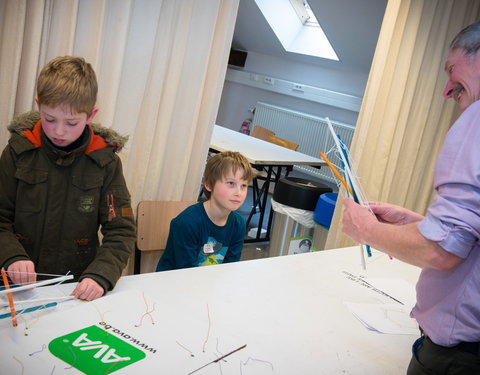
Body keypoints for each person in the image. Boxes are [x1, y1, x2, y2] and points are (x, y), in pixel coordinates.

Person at [341, 21, 480, 374]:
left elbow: (441, 250)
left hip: (460, 357)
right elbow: (464, 239)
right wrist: (419, 224)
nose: (447, 90)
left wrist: (366, 230)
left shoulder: (477, 121)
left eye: (452, 70)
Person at [0, 56, 136, 301]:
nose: (59, 131)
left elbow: (121, 230)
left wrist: (100, 275)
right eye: (49, 119)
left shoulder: (105, 162)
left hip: (74, 289)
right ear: (38, 105)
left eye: (72, 122)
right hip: (15, 288)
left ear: (91, 115)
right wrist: (12, 256)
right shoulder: (18, 152)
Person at [156, 151, 254, 271]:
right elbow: (185, 273)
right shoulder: (186, 223)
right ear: (208, 185)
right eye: (231, 183)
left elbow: (230, 268)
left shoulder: (238, 223)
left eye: (243, 185)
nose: (238, 193)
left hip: (211, 283)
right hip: (175, 283)